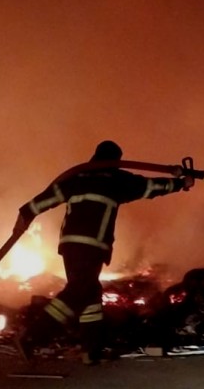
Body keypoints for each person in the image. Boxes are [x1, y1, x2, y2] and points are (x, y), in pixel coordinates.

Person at [13, 140, 194, 364]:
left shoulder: (76, 178)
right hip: (93, 245)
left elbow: (46, 198)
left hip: (69, 245)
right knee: (78, 291)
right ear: (116, 162)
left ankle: (91, 351)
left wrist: (25, 215)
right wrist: (181, 183)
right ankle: (33, 337)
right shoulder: (117, 180)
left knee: (90, 293)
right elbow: (151, 187)